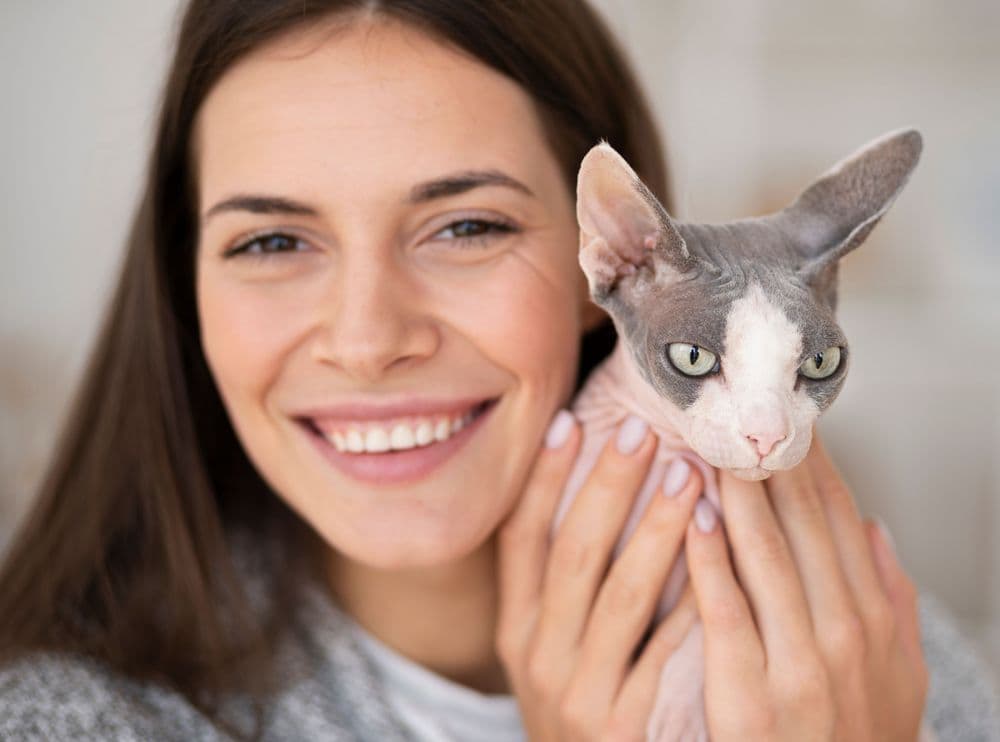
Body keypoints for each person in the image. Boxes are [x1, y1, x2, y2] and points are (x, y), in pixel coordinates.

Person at [1, 1, 997, 740]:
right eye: (270, 241)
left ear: (599, 262)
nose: (364, 337)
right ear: (186, 291)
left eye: (466, 226)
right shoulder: (70, 719)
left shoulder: (856, 644)